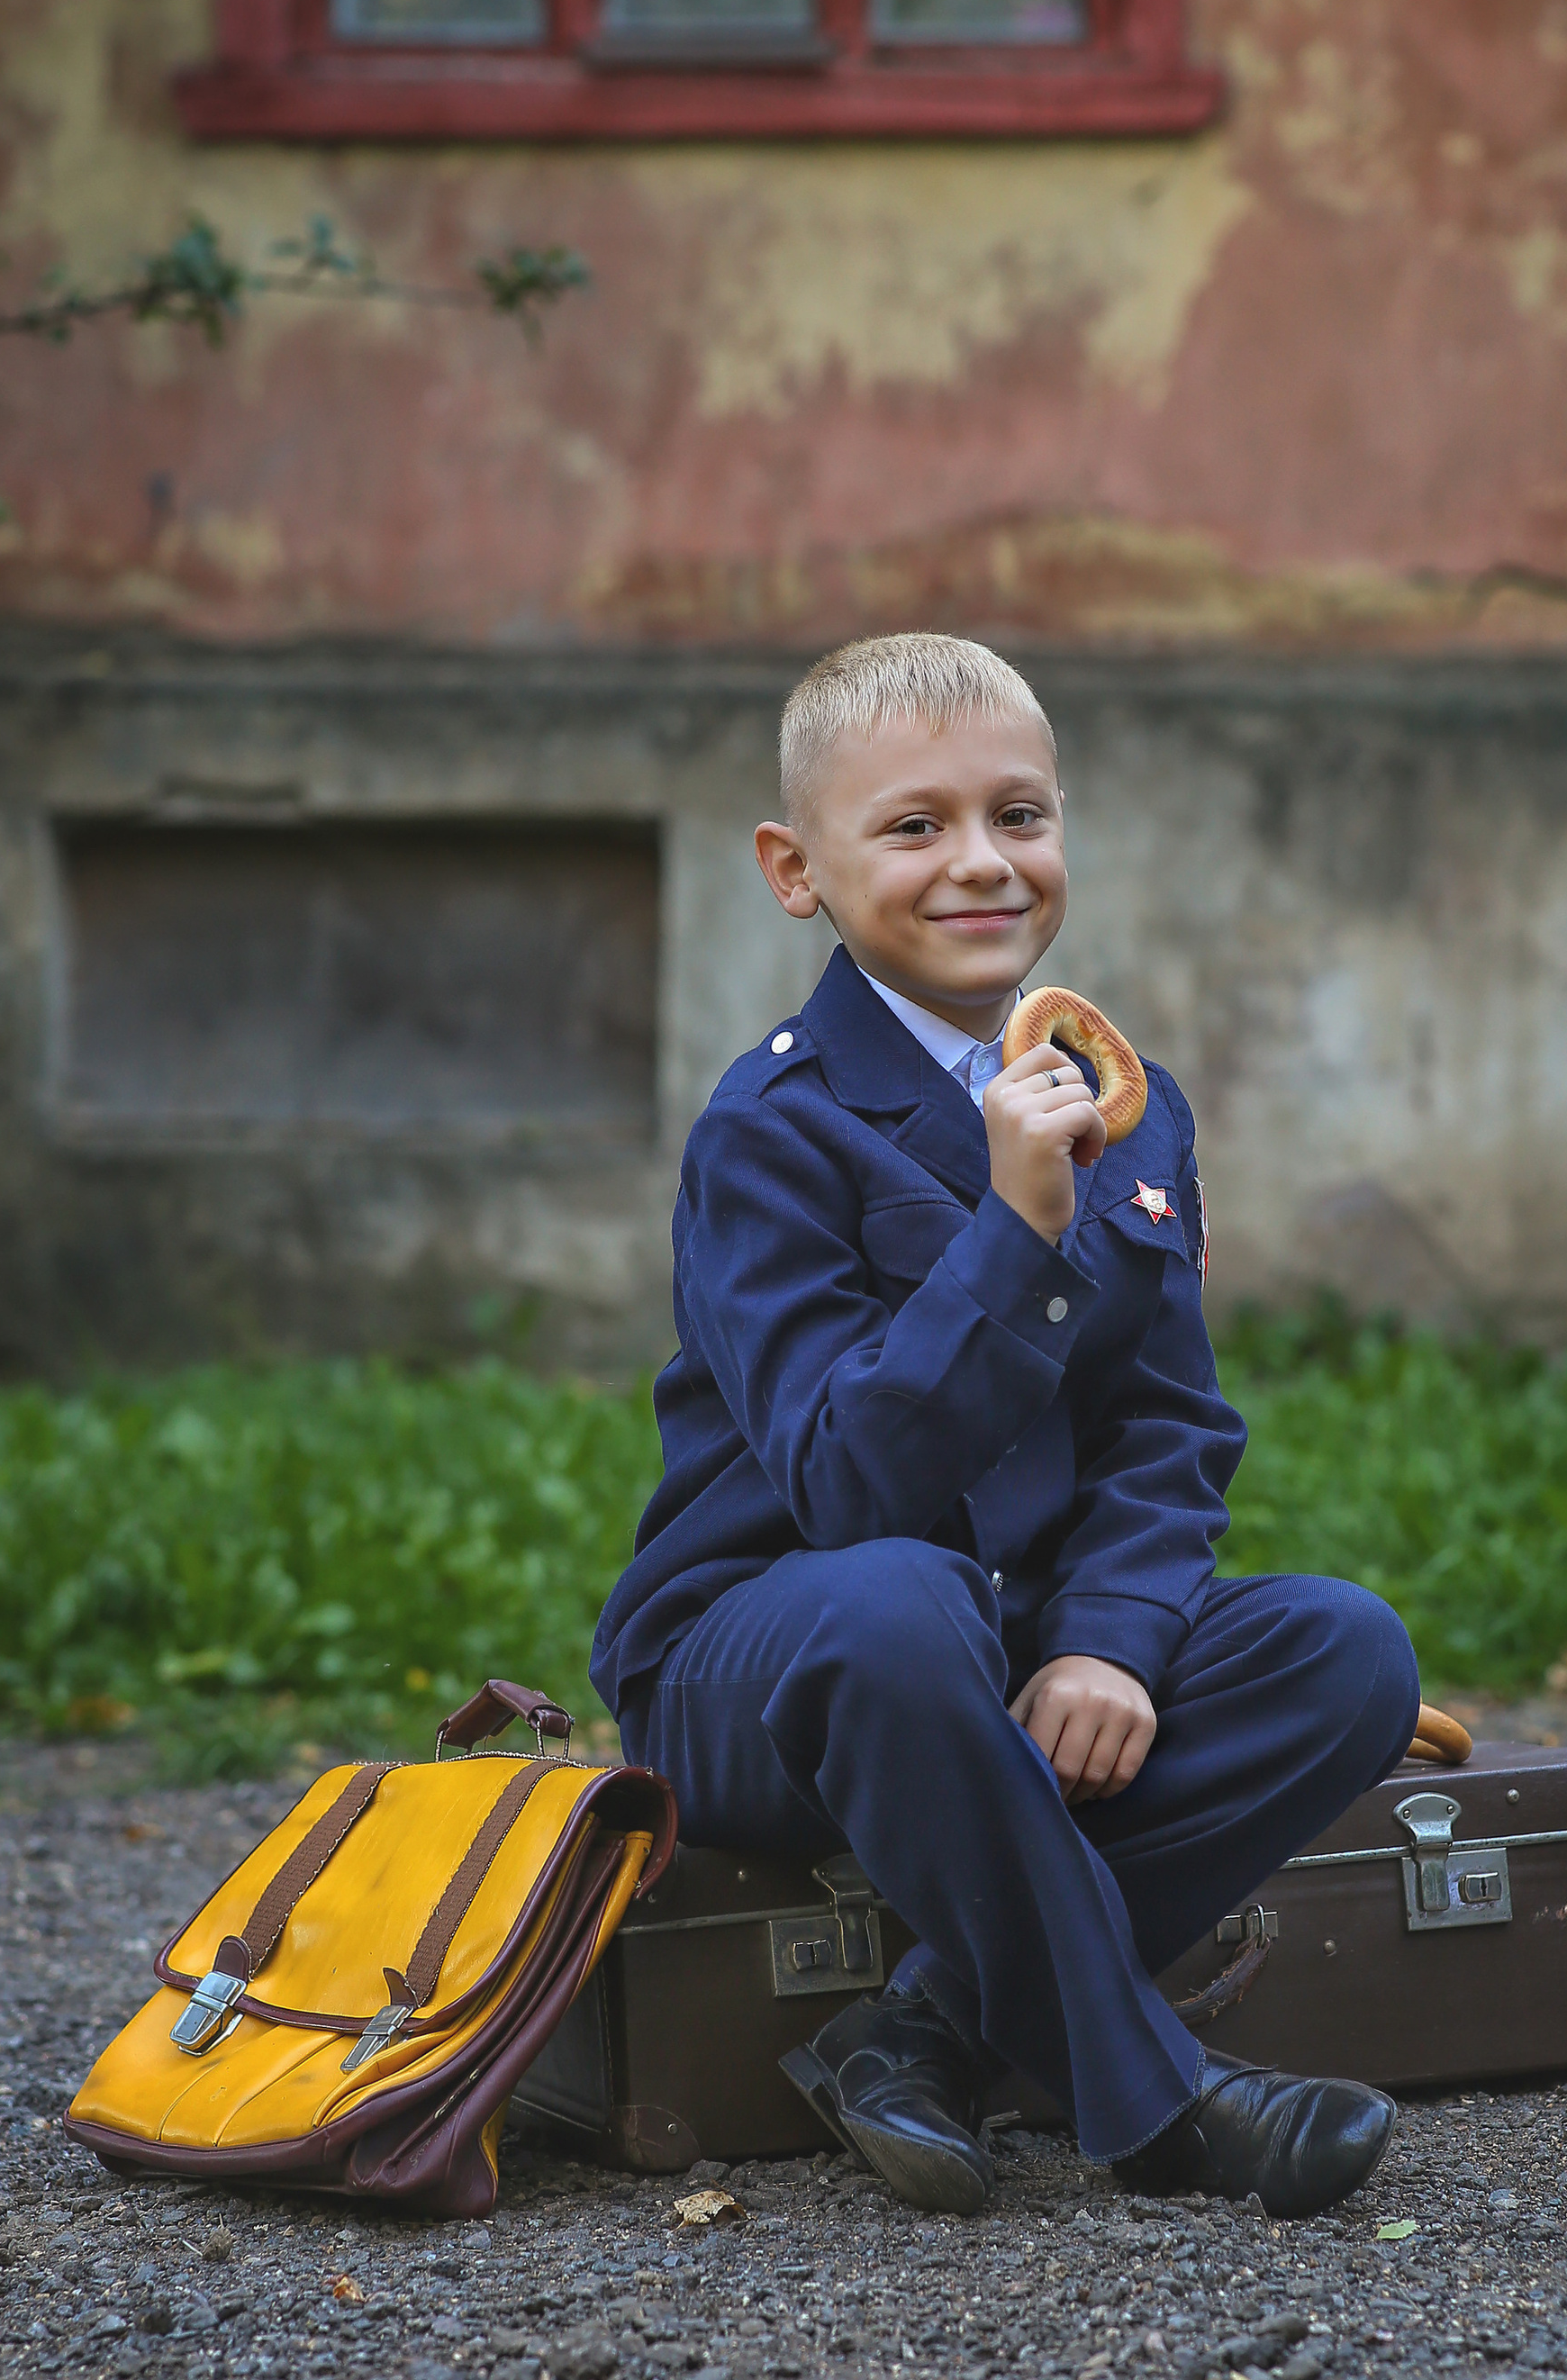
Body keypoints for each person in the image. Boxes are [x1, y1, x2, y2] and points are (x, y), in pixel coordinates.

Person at [591, 633, 1419, 2216]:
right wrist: (1013, 1233)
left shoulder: (1130, 1104)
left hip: (1020, 1651)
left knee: (1344, 1650)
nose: (982, 863)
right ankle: (1162, 2102)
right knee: (901, 1601)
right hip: (775, 1665)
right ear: (796, 870)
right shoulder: (772, 1131)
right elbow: (846, 1484)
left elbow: (1168, 1427)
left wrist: (1108, 1640)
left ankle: (924, 2038)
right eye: (914, 828)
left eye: (1020, 816)